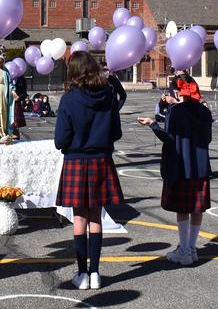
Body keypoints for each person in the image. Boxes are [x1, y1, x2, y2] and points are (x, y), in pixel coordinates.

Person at [54, 51, 123, 290]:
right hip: (101, 160)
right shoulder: (109, 96)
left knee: (79, 218)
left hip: (76, 160)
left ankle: (82, 274)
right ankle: (95, 273)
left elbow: (60, 139)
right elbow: (116, 133)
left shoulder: (69, 99)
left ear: (73, 71)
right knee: (96, 217)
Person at [137, 86, 213, 266]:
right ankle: (191, 248)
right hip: (200, 164)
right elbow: (208, 139)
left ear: (179, 94)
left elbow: (169, 138)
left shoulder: (176, 111)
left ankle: (184, 250)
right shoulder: (205, 111)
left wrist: (152, 124)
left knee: (183, 209)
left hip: (181, 164)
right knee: (197, 208)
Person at [11, 72, 28, 139]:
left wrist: (19, 97)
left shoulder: (21, 79)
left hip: (16, 103)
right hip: (6, 101)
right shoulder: (6, 76)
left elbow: (24, 93)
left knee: (15, 119)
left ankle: (15, 134)